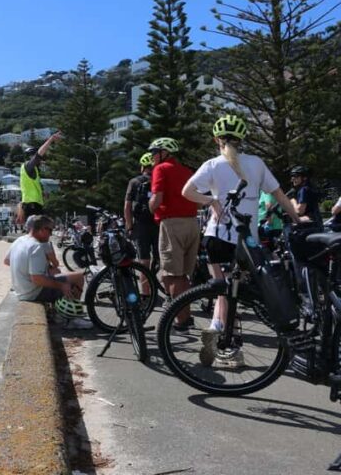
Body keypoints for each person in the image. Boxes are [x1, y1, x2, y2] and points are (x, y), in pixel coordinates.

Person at [182, 115, 301, 367]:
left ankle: (216, 327)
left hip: (216, 236)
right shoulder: (256, 163)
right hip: (246, 242)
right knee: (234, 293)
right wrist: (297, 220)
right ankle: (230, 348)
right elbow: (279, 195)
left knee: (222, 291)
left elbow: (187, 192)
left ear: (217, 140)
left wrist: (211, 201)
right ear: (241, 139)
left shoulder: (212, 164)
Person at [147, 137, 199, 330]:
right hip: (193, 224)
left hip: (172, 224)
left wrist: (150, 206)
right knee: (184, 275)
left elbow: (156, 200)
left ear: (164, 153)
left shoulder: (160, 169)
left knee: (170, 275)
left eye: (154, 153)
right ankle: (188, 316)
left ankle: (181, 320)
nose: (152, 157)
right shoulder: (187, 171)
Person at [4, 215, 91, 328]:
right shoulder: (36, 246)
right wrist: (61, 285)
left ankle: (61, 313)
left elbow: (6, 261)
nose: (51, 234)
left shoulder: (19, 241)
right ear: (41, 230)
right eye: (50, 230)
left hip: (21, 289)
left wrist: (34, 267)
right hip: (33, 292)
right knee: (78, 278)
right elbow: (37, 279)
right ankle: (71, 319)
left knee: (61, 273)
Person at [124, 152, 159, 299]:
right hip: (158, 223)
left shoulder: (134, 182)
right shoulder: (159, 180)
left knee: (144, 259)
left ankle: (146, 293)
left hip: (141, 225)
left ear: (142, 167)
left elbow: (127, 206)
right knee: (161, 259)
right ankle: (168, 291)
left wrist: (129, 226)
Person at [18, 131, 62, 223]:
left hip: (33, 204)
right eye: (40, 160)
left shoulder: (30, 171)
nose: (41, 162)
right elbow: (38, 155)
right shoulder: (28, 166)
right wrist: (51, 139)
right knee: (37, 231)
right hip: (32, 205)